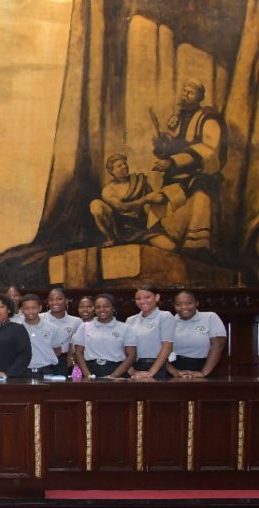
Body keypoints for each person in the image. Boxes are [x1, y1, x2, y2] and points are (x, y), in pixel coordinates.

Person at [149, 79, 226, 252]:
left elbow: (208, 150)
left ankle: (195, 242)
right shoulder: (178, 117)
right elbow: (175, 145)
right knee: (159, 204)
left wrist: (173, 161)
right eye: (184, 91)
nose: (185, 95)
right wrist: (163, 145)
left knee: (201, 192)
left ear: (200, 97)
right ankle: (167, 237)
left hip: (200, 175)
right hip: (176, 177)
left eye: (190, 92)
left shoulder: (209, 118)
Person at [90, 153, 165, 246]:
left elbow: (153, 201)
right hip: (121, 229)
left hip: (142, 226)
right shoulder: (108, 190)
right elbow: (122, 208)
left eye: (125, 164)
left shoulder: (139, 181)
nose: (124, 166)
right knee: (95, 204)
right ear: (112, 171)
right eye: (119, 166)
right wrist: (146, 199)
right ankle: (112, 239)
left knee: (171, 247)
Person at [73, 294, 138, 378]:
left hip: (117, 371)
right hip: (90, 371)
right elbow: (78, 353)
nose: (102, 310)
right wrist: (88, 375)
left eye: (106, 306)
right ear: (94, 309)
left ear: (113, 308)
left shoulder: (125, 328)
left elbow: (132, 355)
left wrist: (114, 375)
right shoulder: (84, 327)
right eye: (98, 307)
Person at [167, 290, 227, 378]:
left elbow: (218, 346)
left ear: (197, 303)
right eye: (178, 304)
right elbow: (159, 350)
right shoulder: (168, 321)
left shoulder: (210, 317)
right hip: (174, 369)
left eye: (189, 303)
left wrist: (204, 373)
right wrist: (174, 372)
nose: (184, 307)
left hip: (204, 366)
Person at [126, 286, 175, 380]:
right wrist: (132, 370)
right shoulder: (130, 320)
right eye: (138, 298)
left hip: (157, 367)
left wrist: (150, 373)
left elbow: (167, 347)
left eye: (147, 297)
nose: (142, 301)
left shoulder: (165, 316)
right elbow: (125, 348)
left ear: (157, 297)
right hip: (134, 367)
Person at [20, 294, 64, 377]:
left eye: (34, 308)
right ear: (22, 310)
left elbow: (57, 350)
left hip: (47, 370)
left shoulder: (52, 328)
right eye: (27, 308)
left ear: (40, 308)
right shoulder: (17, 327)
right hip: (23, 371)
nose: (30, 311)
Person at [42, 287, 82, 373]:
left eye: (59, 299)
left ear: (66, 301)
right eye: (51, 300)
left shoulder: (76, 321)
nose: (55, 302)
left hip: (64, 361)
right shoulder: (40, 318)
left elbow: (77, 343)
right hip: (43, 359)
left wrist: (71, 356)